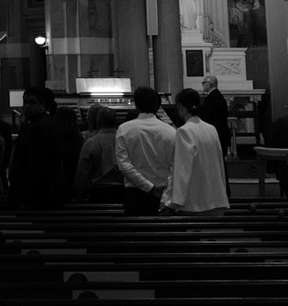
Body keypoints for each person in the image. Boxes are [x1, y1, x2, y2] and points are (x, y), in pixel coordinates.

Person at [8, 87, 79, 210]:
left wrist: (25, 194)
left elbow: (37, 163)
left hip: (39, 193)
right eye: (25, 102)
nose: (26, 106)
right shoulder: (35, 124)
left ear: (43, 105)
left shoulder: (42, 126)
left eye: (32, 102)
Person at [166, 88, 230, 216]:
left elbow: (182, 170)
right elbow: (219, 163)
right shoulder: (211, 129)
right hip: (215, 197)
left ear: (180, 105)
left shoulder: (184, 131)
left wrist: (175, 202)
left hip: (195, 202)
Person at [114, 88, 177, 217]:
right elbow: (176, 166)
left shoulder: (124, 129)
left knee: (135, 235)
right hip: (163, 193)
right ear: (156, 104)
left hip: (135, 194)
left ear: (136, 104)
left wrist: (148, 187)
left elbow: (124, 166)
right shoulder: (170, 131)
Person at [75, 107, 123, 204]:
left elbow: (83, 172)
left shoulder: (91, 142)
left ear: (98, 122)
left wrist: (79, 195)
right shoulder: (125, 140)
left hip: (99, 191)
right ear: (115, 121)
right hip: (122, 189)